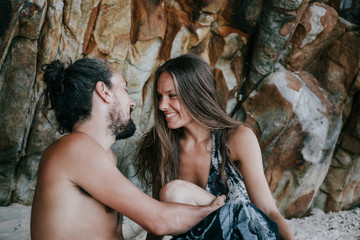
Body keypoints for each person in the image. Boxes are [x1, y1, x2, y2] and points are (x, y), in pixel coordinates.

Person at [30, 57, 226, 240]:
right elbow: (158, 220)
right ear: (104, 92)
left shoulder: (104, 155)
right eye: (124, 89)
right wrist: (214, 209)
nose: (132, 103)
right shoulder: (74, 147)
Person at [134, 54, 294, 240]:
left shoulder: (237, 138)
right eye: (160, 97)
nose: (162, 105)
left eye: (172, 96)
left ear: (196, 95)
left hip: (245, 234)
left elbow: (267, 209)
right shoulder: (162, 146)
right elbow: (158, 218)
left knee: (174, 192)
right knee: (172, 194)